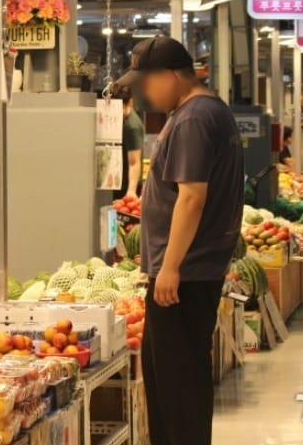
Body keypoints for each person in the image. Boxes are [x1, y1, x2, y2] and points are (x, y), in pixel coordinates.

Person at [114, 36, 244, 445]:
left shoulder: (193, 118)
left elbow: (191, 197)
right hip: (190, 270)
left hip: (185, 275)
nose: (143, 91)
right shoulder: (206, 112)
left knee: (177, 383)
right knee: (170, 377)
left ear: (170, 76)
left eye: (147, 81)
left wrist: (169, 266)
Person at [113, 85, 145, 200]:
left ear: (130, 103)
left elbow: (134, 162)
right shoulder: (120, 119)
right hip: (117, 182)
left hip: (126, 186)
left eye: (119, 108)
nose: (115, 112)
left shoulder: (132, 126)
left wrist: (131, 191)